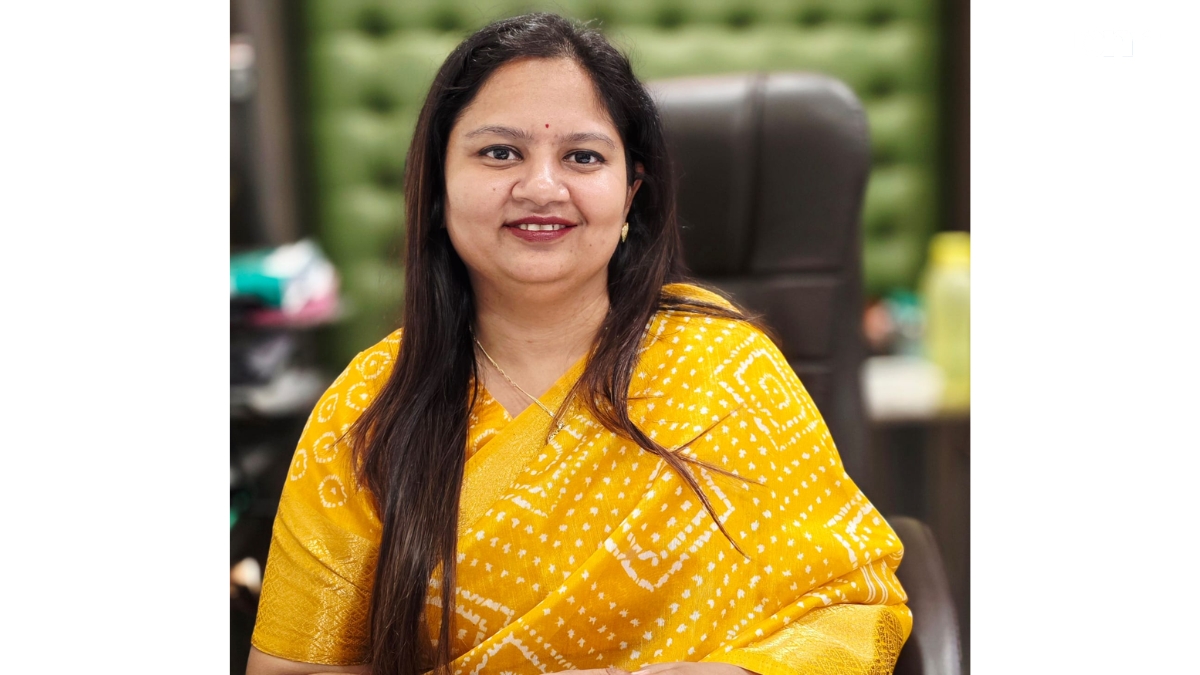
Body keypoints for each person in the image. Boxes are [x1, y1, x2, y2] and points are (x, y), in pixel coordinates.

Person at [247, 13, 910, 675]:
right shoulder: (366, 411)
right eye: (499, 152)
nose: (542, 187)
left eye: (583, 157)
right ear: (438, 186)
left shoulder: (726, 366)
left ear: (630, 193)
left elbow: (854, 610)